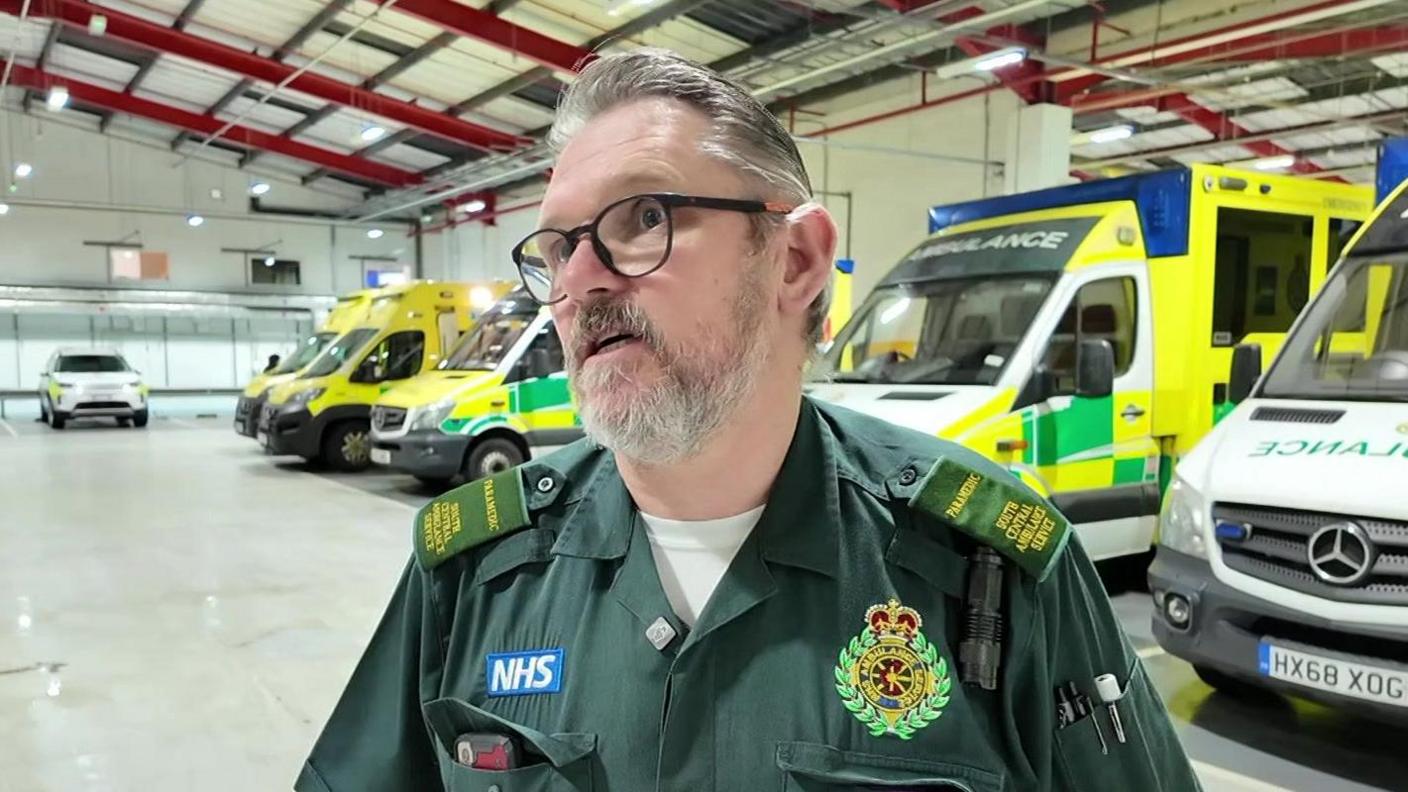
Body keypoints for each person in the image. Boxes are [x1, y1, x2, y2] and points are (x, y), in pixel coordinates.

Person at [296, 50, 1201, 792]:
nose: (579, 281)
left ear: (797, 260)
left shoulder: (991, 563)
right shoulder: (475, 570)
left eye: (642, 219)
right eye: (558, 247)